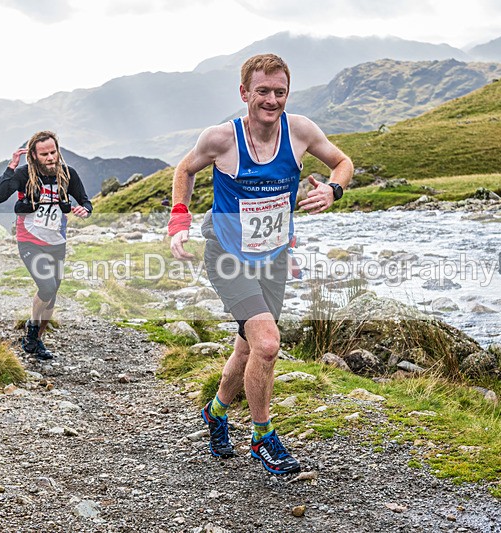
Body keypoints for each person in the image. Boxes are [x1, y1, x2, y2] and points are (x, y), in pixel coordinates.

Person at [169, 54, 353, 475]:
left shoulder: (301, 131)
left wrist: (333, 190)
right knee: (268, 343)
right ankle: (261, 437)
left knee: (250, 346)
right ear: (244, 93)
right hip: (228, 256)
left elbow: (343, 163)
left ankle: (216, 412)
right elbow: (185, 167)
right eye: (263, 92)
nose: (271, 100)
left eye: (279, 92)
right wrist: (179, 218)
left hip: (273, 257)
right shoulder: (222, 139)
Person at [0, 131, 92, 360]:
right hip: (30, 241)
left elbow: (85, 200)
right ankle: (32, 331)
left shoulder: (67, 173)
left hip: (57, 241)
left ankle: (36, 340)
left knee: (52, 293)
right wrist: (10, 167)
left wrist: (85, 210)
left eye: (53, 152)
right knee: (46, 287)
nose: (50, 158)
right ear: (34, 156)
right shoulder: (23, 174)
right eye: (44, 154)